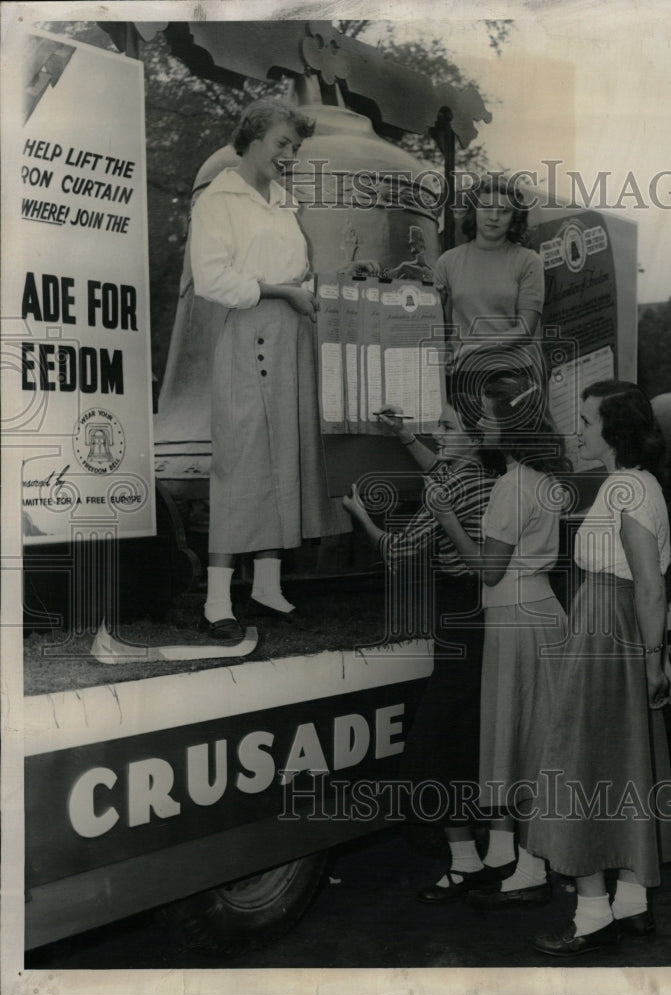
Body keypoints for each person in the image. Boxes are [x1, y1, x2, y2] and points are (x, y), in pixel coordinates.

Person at [524, 379, 671, 957]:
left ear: (614, 430)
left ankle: (592, 914)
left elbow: (650, 586)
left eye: (586, 422)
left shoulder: (627, 490)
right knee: (623, 765)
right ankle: (631, 906)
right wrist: (651, 653)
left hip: (607, 634)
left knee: (580, 765)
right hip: (610, 629)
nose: (578, 431)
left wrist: (651, 659)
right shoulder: (632, 485)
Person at [190, 99, 350, 640]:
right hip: (246, 333)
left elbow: (297, 270)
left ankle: (266, 588)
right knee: (242, 460)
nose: (290, 155)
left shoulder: (283, 202)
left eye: (296, 148)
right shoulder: (220, 199)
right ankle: (216, 601)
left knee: (284, 457)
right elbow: (213, 280)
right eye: (283, 144)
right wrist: (283, 291)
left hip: (289, 335)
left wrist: (335, 279)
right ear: (254, 139)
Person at [342, 401, 504, 902]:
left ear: (473, 440)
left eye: (446, 427)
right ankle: (490, 855)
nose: (436, 433)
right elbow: (443, 468)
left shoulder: (453, 484)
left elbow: (399, 552)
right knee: (470, 738)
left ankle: (464, 863)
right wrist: (403, 436)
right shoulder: (482, 475)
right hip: (485, 616)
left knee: (435, 747)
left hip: (458, 615)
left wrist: (360, 515)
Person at [429, 371, 568, 908]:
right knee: (529, 740)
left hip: (515, 616)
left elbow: (487, 569)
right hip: (539, 611)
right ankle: (520, 859)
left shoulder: (512, 485)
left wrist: (445, 518)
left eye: (488, 415)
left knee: (519, 744)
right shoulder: (536, 475)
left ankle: (530, 868)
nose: (481, 424)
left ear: (510, 425)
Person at [433, 174, 545, 403]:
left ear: (515, 217)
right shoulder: (447, 261)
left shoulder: (528, 260)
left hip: (511, 378)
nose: (494, 217)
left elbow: (525, 331)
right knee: (461, 439)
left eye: (504, 211)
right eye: (486, 207)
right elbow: (442, 328)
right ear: (473, 211)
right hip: (461, 376)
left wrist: (472, 348)